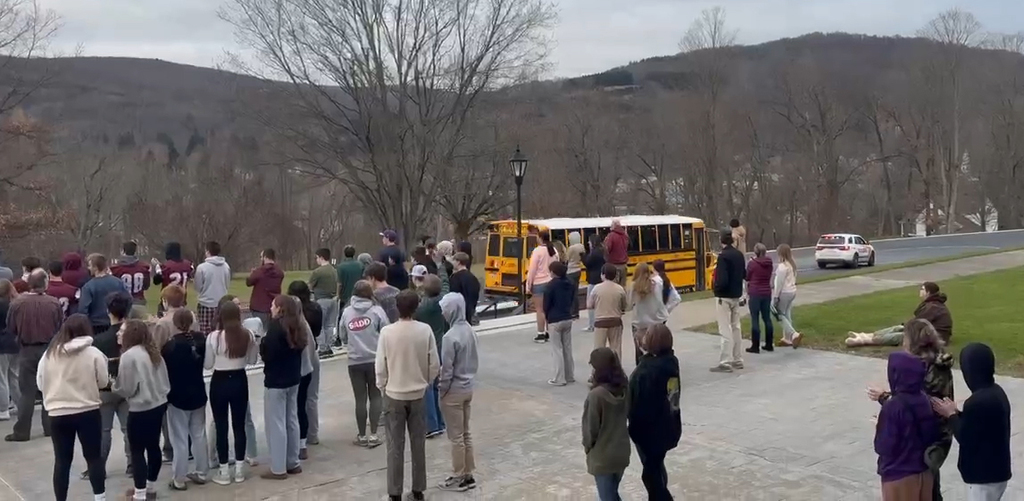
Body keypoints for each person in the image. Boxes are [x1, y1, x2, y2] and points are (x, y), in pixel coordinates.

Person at [867, 320, 955, 500]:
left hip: (922, 442)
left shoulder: (920, 366)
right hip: (935, 434)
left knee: (928, 488)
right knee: (928, 486)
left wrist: (884, 415)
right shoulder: (937, 363)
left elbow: (908, 404)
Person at [37, 314, 109, 501]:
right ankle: (99, 497)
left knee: (62, 461)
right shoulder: (93, 353)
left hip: (58, 412)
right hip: (87, 410)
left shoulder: (49, 354)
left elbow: (39, 383)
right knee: (93, 458)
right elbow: (103, 381)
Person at [376, 290, 439, 501]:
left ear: (397, 308)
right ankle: (418, 489)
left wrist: (382, 385)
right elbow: (434, 364)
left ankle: (394, 492)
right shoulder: (425, 330)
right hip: (418, 392)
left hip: (394, 392)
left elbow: (380, 365)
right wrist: (426, 382)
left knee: (395, 445)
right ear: (416, 307)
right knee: (418, 443)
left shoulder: (387, 332)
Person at [931, 343, 1011, 501]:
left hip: (984, 478)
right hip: (997, 473)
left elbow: (965, 436)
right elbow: (979, 425)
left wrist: (951, 415)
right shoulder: (996, 392)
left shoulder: (976, 401)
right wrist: (955, 413)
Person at [114, 320, 171, 501]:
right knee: (153, 445)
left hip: (141, 408)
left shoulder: (129, 356)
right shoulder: (154, 353)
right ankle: (149, 486)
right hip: (159, 404)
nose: (118, 334)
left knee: (137, 450)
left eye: (122, 332)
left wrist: (113, 386)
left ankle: (139, 495)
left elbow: (126, 388)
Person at [873, 351, 940, 501]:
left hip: (899, 476)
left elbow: (884, 447)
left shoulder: (893, 406)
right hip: (924, 473)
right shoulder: (924, 399)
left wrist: (880, 426)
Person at [205, 300, 259, 485]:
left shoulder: (214, 337)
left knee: (221, 426)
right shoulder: (248, 335)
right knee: (239, 425)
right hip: (239, 379)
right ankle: (239, 469)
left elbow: (208, 364)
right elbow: (252, 361)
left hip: (219, 380)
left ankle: (223, 471)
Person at [5, 270, 62, 442]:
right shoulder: (53, 303)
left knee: (27, 392)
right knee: (48, 389)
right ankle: (49, 427)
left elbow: (10, 327)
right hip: (48, 349)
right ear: (45, 284)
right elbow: (60, 326)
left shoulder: (17, 303)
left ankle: (22, 431)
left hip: (27, 349)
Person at [628, 324, 681, 500]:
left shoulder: (644, 372)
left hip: (648, 432)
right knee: (656, 466)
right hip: (669, 425)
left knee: (650, 474)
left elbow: (635, 405)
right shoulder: (671, 363)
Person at [260, 295, 307, 480]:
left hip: (276, 380)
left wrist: (262, 345)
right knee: (291, 419)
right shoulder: (298, 325)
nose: (270, 307)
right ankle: (292, 461)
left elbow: (268, 354)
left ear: (280, 308)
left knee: (276, 423)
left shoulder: (275, 327)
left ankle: (278, 467)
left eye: (273, 305)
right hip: (293, 377)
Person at [436, 292, 479, 492]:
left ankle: (459, 475)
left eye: (445, 310)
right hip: (468, 386)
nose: (443, 314)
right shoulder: (469, 330)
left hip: (453, 390)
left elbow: (447, 370)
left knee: (456, 437)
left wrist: (441, 390)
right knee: (465, 433)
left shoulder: (449, 337)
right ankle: (468, 472)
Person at [162, 309, 209, 490]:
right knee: (198, 434)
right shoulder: (200, 340)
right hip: (198, 392)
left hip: (177, 396)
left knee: (180, 439)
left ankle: (179, 478)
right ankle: (202, 471)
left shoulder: (170, 346)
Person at [88, 292, 133, 479]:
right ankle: (132, 463)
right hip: (128, 386)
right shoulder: (134, 334)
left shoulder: (99, 340)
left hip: (106, 388)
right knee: (128, 428)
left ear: (108, 311)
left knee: (104, 430)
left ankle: (99, 466)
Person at [341, 280, 388, 448]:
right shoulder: (377, 311)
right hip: (375, 359)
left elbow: (342, 335)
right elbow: (386, 332)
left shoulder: (347, 312)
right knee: (375, 396)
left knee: (359, 399)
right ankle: (374, 435)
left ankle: (361, 435)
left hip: (355, 360)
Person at [583, 347, 630, 501]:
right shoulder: (624, 387)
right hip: (622, 452)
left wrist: (588, 447)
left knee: (607, 497)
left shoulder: (596, 396)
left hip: (603, 456)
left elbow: (590, 429)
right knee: (612, 494)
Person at [847, 282, 953, 348]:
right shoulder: (932, 304)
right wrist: (904, 326)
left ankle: (865, 340)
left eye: (922, 289)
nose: (920, 291)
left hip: (936, 337)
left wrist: (907, 328)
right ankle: (869, 335)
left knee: (901, 336)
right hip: (928, 332)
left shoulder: (933, 306)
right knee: (899, 328)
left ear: (928, 293)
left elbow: (919, 323)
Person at [287, 281, 322, 460]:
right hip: (312, 354)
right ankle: (312, 434)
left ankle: (299, 437)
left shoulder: (294, 321)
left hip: (302, 360)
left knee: (297, 403)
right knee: (311, 398)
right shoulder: (315, 309)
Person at [414, 271, 449, 439]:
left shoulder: (423, 307)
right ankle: (440, 422)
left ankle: (431, 424)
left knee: (427, 386)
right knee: (435, 387)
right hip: (441, 344)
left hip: (428, 348)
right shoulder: (443, 303)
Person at [710, 233, 746, 373]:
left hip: (723, 296)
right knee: (736, 327)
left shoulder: (723, 257)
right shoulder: (739, 255)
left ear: (721, 241)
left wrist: (717, 288)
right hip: (736, 295)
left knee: (724, 328)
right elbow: (744, 274)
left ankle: (725, 361)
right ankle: (738, 358)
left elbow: (722, 278)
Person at [628, 263, 670, 367]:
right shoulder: (656, 284)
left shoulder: (633, 286)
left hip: (639, 323)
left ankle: (640, 369)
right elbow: (659, 302)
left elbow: (628, 305)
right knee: (656, 348)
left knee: (639, 350)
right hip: (655, 321)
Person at [543, 261, 576, 386]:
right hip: (567, 317)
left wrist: (547, 317)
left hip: (555, 319)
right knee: (567, 348)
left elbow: (546, 305)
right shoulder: (570, 283)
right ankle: (570, 375)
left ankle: (559, 378)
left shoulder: (550, 286)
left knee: (557, 349)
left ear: (554, 272)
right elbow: (573, 299)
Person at [79, 254, 129, 334]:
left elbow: (83, 309)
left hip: (95, 326)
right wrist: (124, 316)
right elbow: (128, 299)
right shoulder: (117, 282)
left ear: (95, 267)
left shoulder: (89, 286)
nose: (88, 268)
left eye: (90, 266)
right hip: (115, 323)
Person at [589, 264, 627, 360]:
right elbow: (624, 306)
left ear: (603, 275)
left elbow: (589, 305)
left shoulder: (596, 288)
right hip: (615, 321)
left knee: (598, 349)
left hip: (600, 322)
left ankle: (596, 371)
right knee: (616, 348)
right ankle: (617, 370)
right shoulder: (620, 289)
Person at [526, 231, 558, 343]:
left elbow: (532, 270)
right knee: (549, 308)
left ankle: (541, 333)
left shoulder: (537, 251)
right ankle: (550, 332)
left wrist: (528, 285)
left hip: (539, 283)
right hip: (552, 282)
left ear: (540, 238)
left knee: (540, 310)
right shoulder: (554, 250)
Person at [195, 241, 231, 334]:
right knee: (221, 331)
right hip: (222, 303)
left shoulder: (202, 268)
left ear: (207, 251)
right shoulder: (226, 266)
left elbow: (198, 287)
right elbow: (227, 283)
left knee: (205, 331)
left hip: (205, 303)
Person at [309, 248, 339, 358]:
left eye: (317, 257)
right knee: (330, 325)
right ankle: (328, 346)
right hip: (333, 300)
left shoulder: (318, 272)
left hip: (321, 300)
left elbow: (310, 286)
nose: (316, 260)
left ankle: (322, 348)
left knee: (320, 325)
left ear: (321, 257)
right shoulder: (334, 270)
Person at [745, 243, 774, 353]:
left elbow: (747, 277)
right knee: (767, 318)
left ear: (755, 252)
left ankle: (755, 345)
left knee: (755, 318)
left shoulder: (752, 264)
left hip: (755, 292)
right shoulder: (769, 263)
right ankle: (769, 344)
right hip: (766, 291)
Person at [151, 242, 193, 318]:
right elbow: (189, 275)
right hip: (182, 300)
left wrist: (158, 268)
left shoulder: (166, 265)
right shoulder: (188, 264)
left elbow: (156, 281)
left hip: (167, 300)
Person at [247, 248, 285, 329]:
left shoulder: (259, 271)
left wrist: (252, 274)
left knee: (259, 330)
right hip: (273, 305)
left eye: (261, 257)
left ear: (265, 257)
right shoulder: (280, 272)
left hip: (259, 306)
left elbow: (249, 282)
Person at [772, 244, 801, 348]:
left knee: (778, 314)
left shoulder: (782, 267)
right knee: (786, 313)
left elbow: (779, 283)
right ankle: (787, 338)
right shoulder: (792, 264)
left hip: (784, 292)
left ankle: (793, 334)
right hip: (792, 291)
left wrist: (776, 296)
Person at [335, 245, 362, 352]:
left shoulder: (341, 267)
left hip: (346, 295)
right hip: (358, 294)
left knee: (341, 317)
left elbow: (339, 283)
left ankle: (339, 338)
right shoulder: (360, 265)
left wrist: (338, 295)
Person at [110, 241, 152, 306]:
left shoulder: (116, 268)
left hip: (122, 303)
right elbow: (146, 286)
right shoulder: (143, 267)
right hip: (139, 301)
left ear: (123, 251)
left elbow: (113, 288)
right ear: (135, 251)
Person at [0, 280, 18, 421]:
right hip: (15, 343)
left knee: (2, 378)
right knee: (15, 376)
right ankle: (20, 404)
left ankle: (3, 409)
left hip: (2, 345)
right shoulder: (16, 304)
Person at [582, 234, 606, 332]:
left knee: (591, 303)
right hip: (600, 279)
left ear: (593, 242)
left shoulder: (594, 253)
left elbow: (587, 263)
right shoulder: (602, 251)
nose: (588, 243)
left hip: (593, 279)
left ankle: (592, 325)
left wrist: (583, 256)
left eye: (589, 241)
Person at [448, 252, 479, 325]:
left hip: (458, 312)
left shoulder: (455, 278)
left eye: (454, 260)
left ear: (458, 262)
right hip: (469, 311)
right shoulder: (472, 277)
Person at [565, 231, 586, 319]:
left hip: (570, 270)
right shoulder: (581, 246)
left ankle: (572, 312)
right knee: (576, 292)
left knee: (570, 292)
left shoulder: (571, 248)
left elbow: (566, 259)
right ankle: (576, 312)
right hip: (578, 269)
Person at [603, 219, 629, 288]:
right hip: (624, 265)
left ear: (613, 226)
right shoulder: (625, 235)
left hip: (614, 265)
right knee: (623, 286)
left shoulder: (611, 236)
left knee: (614, 286)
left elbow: (607, 249)